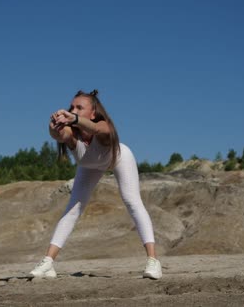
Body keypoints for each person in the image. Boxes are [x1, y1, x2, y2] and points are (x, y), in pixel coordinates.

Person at [29, 90, 162, 280]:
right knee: (73, 209)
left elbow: (98, 129)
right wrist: (53, 126)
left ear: (93, 113)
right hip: (89, 165)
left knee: (132, 201)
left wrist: (73, 118)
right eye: (72, 107)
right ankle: (48, 262)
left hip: (119, 158)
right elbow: (58, 135)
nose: (73, 110)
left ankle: (153, 261)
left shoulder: (103, 126)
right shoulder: (71, 133)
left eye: (79, 108)